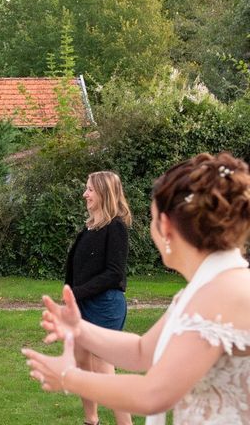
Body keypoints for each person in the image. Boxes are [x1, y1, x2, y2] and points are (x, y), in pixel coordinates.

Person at [23, 152, 250, 425]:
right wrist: (79, 329)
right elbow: (143, 350)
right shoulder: (207, 287)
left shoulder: (217, 294)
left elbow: (153, 394)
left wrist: (68, 376)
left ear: (165, 226)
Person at [62, 171, 133, 425]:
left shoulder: (116, 227)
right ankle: (91, 421)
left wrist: (77, 292)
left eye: (90, 189)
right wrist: (71, 297)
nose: (85, 194)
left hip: (105, 306)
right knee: (83, 365)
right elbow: (77, 269)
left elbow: (114, 273)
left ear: (104, 192)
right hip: (83, 304)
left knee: (104, 371)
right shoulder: (90, 226)